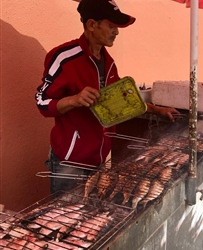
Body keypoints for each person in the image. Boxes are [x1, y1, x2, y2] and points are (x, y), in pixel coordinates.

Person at [35, 0, 179, 195]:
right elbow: (41, 102)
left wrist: (158, 110)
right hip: (69, 161)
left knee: (89, 218)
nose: (116, 32)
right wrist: (74, 99)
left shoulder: (109, 62)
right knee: (66, 217)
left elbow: (123, 101)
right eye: (111, 26)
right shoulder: (63, 57)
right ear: (92, 25)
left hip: (99, 159)